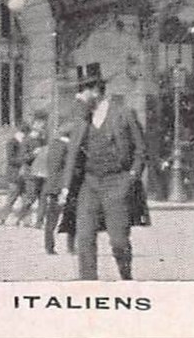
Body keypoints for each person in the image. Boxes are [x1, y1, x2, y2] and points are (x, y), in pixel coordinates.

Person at [59, 76, 147, 281]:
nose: (78, 96)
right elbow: (72, 153)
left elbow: (141, 150)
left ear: (96, 92)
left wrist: (131, 177)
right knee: (84, 237)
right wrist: (65, 187)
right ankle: (88, 285)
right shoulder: (83, 118)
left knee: (118, 240)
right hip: (89, 184)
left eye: (82, 91)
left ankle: (126, 277)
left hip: (117, 182)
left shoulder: (123, 114)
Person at [40, 130, 75, 255]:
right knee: (70, 216)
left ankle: (49, 246)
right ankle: (70, 247)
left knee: (52, 217)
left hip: (54, 185)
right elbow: (64, 168)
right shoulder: (66, 147)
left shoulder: (54, 145)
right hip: (63, 186)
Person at [0, 122, 32, 224]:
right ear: (21, 133)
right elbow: (11, 159)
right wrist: (25, 158)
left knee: (26, 198)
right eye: (25, 134)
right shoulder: (12, 142)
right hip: (15, 174)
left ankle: (25, 219)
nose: (26, 136)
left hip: (24, 174)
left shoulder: (25, 143)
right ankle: (2, 217)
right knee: (12, 197)